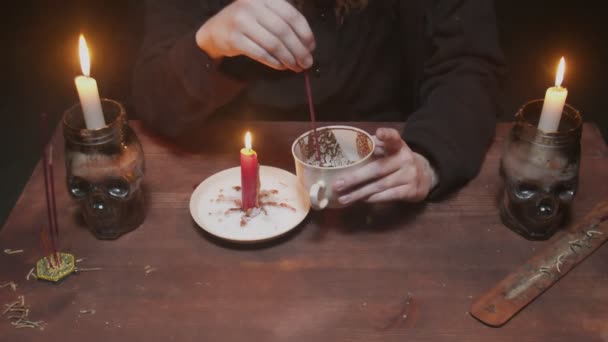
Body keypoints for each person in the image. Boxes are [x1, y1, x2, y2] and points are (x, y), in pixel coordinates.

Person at [133, 0, 505, 203]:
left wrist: (428, 159)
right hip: (240, 184)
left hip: (384, 184)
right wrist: (210, 42)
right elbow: (155, 104)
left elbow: (467, 66)